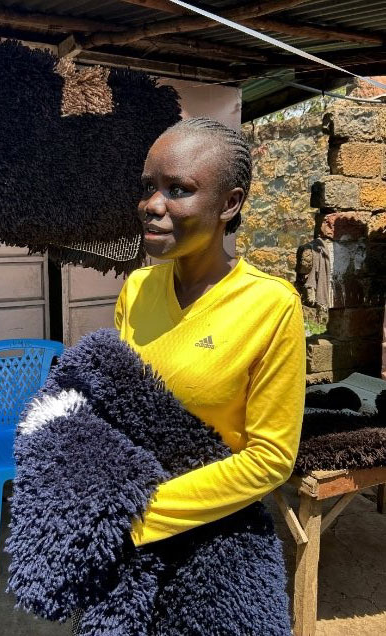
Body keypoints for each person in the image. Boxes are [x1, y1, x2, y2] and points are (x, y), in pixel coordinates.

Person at [114, 117, 306, 548]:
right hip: (125, 522)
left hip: (213, 538)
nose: (152, 204)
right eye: (148, 187)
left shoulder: (270, 306)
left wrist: (136, 516)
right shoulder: (138, 289)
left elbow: (271, 459)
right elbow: (116, 406)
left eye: (177, 189)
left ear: (229, 203)